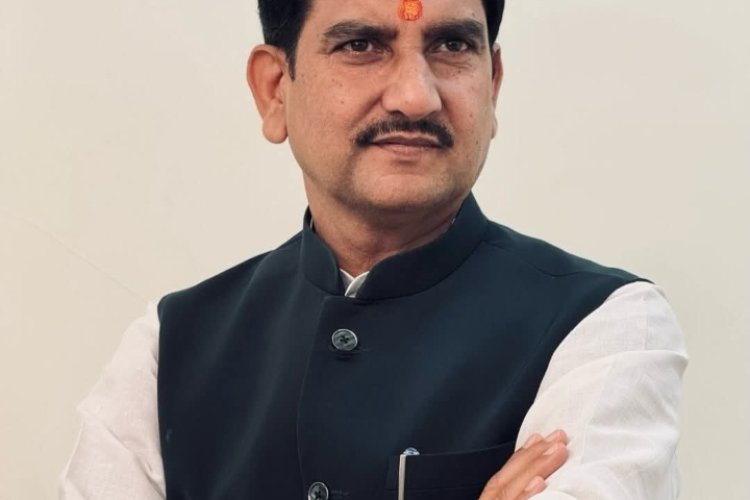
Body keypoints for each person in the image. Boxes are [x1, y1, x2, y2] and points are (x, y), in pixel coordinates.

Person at [60, 0, 688, 498]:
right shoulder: (168, 348)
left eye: (452, 46)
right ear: (275, 89)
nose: (415, 96)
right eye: (362, 46)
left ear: (493, 85)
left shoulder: (605, 331)